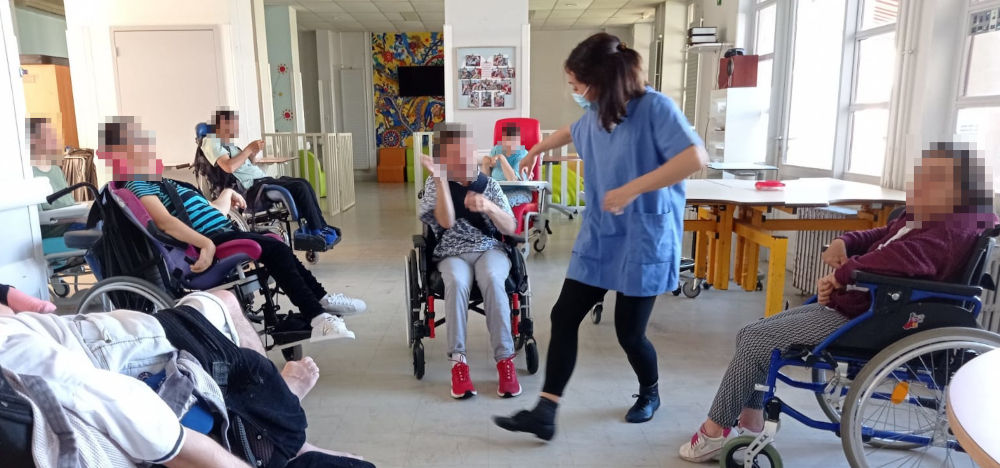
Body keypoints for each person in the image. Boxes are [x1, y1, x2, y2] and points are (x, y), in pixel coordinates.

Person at [677, 143, 997, 463]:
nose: (919, 183)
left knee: (755, 340)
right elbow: (886, 235)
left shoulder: (951, 228)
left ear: (959, 187)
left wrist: (842, 275)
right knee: (751, 333)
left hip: (876, 314)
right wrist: (846, 241)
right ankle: (750, 421)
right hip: (870, 303)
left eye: (932, 177)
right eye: (922, 174)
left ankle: (714, 433)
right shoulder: (936, 214)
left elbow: (903, 257)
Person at [493, 33, 708, 439]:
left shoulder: (655, 108)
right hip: (602, 234)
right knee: (563, 315)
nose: (574, 93)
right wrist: (536, 150)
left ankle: (650, 392)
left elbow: (695, 157)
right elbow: (570, 131)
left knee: (629, 333)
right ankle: (546, 412)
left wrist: (632, 189)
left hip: (643, 235)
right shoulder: (596, 112)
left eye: (576, 85)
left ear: (602, 81)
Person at [0, 288, 372, 468]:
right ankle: (285, 414)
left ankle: (282, 410)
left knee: (227, 296)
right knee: (226, 301)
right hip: (103, 351)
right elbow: (123, 406)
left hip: (79, 344)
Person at [97, 117, 365, 347]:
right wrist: (206, 244)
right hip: (211, 238)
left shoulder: (160, 182)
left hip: (218, 229)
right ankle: (317, 317)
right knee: (274, 249)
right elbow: (164, 222)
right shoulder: (138, 184)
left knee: (277, 245)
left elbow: (211, 210)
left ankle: (321, 300)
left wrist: (227, 193)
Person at [418, 122, 522, 399]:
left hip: (489, 249)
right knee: (456, 281)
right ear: (442, 160)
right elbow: (445, 222)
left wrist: (488, 206)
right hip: (451, 252)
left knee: (493, 279)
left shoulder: (489, 184)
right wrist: (441, 180)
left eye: (466, 152)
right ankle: (458, 363)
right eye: (454, 156)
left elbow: (510, 226)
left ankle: (505, 360)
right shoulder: (434, 184)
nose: (463, 160)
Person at [200, 109, 338, 248]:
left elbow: (245, 165)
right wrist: (248, 149)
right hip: (251, 188)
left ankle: (320, 226)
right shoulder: (211, 141)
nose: (234, 129)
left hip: (261, 180)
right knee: (299, 187)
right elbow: (229, 167)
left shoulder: (227, 144)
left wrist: (252, 154)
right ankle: (316, 230)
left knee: (303, 182)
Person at [27, 117, 81, 238]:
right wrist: (77, 219)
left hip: (72, 223)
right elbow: (40, 218)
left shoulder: (56, 169)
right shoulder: (29, 174)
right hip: (56, 231)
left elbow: (68, 203)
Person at [481, 122, 532, 206]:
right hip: (496, 191)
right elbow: (486, 181)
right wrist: (485, 164)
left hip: (518, 191)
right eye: (506, 139)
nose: (509, 143)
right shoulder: (496, 149)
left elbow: (513, 179)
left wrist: (502, 158)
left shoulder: (523, 154)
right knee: (478, 200)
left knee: (501, 203)